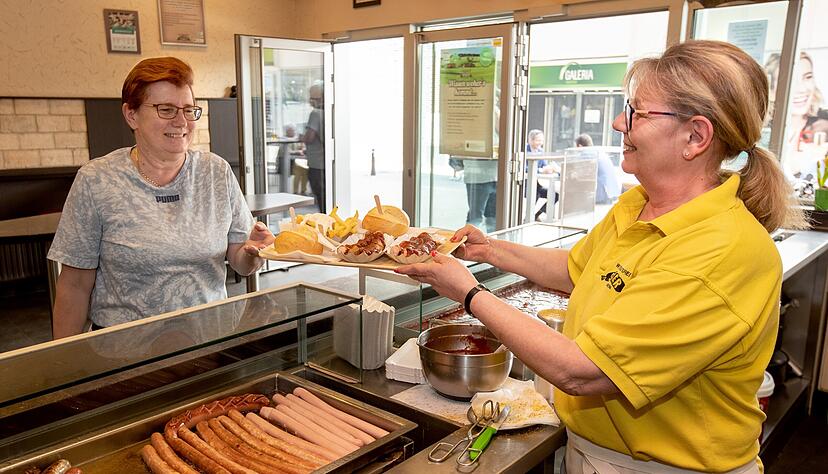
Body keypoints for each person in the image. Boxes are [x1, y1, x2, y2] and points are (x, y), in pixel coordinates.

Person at [397, 40, 806, 473]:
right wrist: (489, 250)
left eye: (637, 113)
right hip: (595, 451)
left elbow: (584, 371)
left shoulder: (723, 251)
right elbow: (579, 269)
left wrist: (470, 293)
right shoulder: (639, 204)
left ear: (695, 136)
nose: (617, 122)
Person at [48, 57, 274, 339]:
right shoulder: (97, 180)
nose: (181, 121)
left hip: (209, 342)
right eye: (166, 109)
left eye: (189, 110)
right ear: (131, 115)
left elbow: (239, 259)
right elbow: (75, 285)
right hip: (124, 354)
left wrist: (254, 253)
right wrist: (62, 366)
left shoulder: (216, 172)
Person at [784, 51, 828, 180]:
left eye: (808, 77)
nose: (801, 89)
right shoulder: (764, 129)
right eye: (792, 80)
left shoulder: (824, 124)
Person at [573, 133, 621, 205]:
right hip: (612, 192)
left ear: (580, 146)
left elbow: (581, 172)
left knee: (577, 201)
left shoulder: (586, 152)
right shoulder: (599, 152)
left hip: (602, 194)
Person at [302, 82, 325, 211]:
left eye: (312, 98)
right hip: (324, 164)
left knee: (320, 198)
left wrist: (301, 137)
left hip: (316, 165)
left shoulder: (315, 113)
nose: (310, 101)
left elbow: (309, 137)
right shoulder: (327, 113)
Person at [526, 129, 559, 219]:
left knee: (555, 195)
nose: (540, 143)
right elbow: (523, 168)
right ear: (530, 140)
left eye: (541, 140)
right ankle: (528, 217)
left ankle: (536, 215)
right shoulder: (524, 150)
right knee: (534, 193)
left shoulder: (540, 151)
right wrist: (541, 171)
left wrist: (549, 169)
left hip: (538, 183)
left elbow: (544, 166)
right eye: (538, 140)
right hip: (526, 184)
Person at [462, 158, 498, 233]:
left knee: (492, 217)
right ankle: (468, 241)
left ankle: (492, 241)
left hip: (496, 175)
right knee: (476, 217)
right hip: (478, 176)